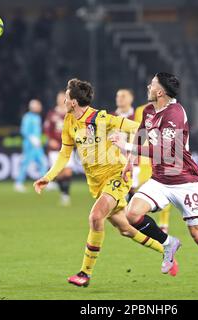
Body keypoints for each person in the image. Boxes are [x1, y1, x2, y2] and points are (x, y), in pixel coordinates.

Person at [33, 79, 177, 288]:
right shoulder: (69, 121)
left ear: (73, 102)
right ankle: (166, 248)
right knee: (126, 229)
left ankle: (85, 273)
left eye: (66, 96)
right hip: (97, 184)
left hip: (116, 176)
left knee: (95, 216)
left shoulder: (100, 118)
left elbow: (139, 127)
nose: (63, 99)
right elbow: (65, 154)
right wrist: (48, 176)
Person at [111, 72, 198, 295]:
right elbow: (141, 135)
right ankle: (168, 242)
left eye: (152, 84)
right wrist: (130, 163)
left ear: (160, 91)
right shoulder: (149, 111)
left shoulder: (175, 114)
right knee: (132, 214)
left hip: (184, 181)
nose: (148, 86)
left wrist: (126, 148)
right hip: (160, 180)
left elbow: (165, 152)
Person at [114, 88, 172, 233]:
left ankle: (163, 224)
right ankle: (131, 222)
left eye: (123, 95)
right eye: (118, 96)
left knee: (165, 187)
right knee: (129, 190)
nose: (120, 98)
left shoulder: (166, 111)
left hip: (147, 159)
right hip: (126, 159)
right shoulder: (133, 113)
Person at [44, 90, 74, 206]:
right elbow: (47, 129)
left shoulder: (71, 113)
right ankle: (63, 194)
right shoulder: (52, 114)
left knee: (68, 172)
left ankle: (66, 195)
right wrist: (50, 140)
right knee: (60, 173)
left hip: (67, 147)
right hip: (54, 148)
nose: (61, 99)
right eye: (59, 97)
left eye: (64, 97)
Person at [15, 99, 47, 192]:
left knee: (43, 162)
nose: (40, 107)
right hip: (29, 145)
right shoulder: (27, 117)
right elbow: (24, 131)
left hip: (37, 146)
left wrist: (38, 140)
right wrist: (32, 139)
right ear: (33, 107)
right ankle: (18, 183)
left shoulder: (37, 117)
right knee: (25, 163)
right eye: (38, 105)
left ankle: (44, 182)